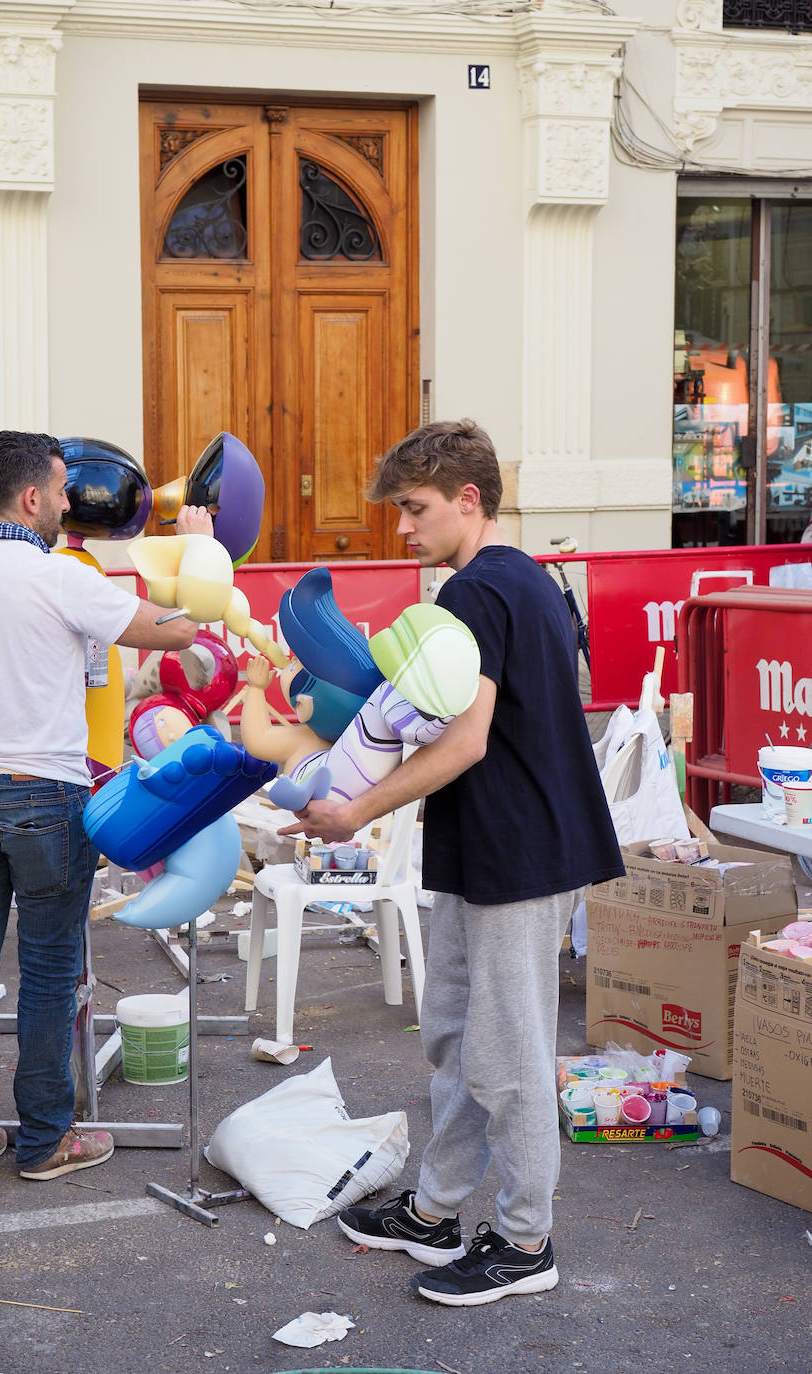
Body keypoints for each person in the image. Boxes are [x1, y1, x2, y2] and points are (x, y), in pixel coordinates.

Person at [279, 418, 624, 1306]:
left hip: (520, 849)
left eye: (414, 508)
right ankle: (434, 1213)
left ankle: (523, 1242)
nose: (403, 528)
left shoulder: (476, 595)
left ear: (467, 500)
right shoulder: (521, 582)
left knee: (504, 1055)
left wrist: (351, 808)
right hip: (500, 843)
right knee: (460, 1039)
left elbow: (464, 741)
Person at [0, 430, 201, 1182]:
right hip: (43, 793)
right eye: (63, 490)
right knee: (46, 971)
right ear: (32, 497)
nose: (72, 503)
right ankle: (43, 1141)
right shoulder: (57, 576)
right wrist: (196, 555)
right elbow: (177, 632)